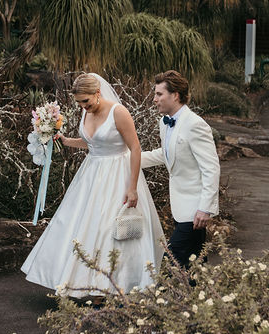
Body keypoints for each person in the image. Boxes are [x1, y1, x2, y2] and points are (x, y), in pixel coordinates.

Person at [21, 73, 164, 298]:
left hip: (118, 174)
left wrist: (133, 186)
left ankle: (113, 285)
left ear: (98, 93)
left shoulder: (119, 112)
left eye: (86, 101)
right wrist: (67, 141)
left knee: (110, 229)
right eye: (79, 103)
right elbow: (92, 143)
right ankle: (80, 282)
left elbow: (135, 148)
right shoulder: (85, 112)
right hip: (90, 175)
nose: (83, 107)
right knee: (79, 225)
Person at [141, 70, 221, 268]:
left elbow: (211, 168)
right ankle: (201, 296)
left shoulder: (195, 124)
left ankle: (152, 298)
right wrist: (130, 159)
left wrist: (205, 208)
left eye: (159, 94)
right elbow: (167, 153)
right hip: (180, 206)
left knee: (170, 261)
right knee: (193, 264)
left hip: (195, 210)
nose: (154, 99)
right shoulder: (164, 122)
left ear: (175, 95)